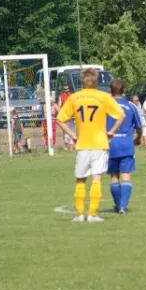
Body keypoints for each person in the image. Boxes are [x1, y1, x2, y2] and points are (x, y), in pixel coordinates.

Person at [56, 68, 125, 223]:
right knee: (96, 179)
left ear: (82, 81)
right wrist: (111, 132)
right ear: (96, 80)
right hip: (100, 143)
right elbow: (121, 115)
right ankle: (92, 215)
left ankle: (80, 214)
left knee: (80, 180)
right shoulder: (103, 97)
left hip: (82, 144)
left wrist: (72, 135)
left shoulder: (74, 98)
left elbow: (60, 119)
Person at [106, 81, 142, 214]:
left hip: (110, 145)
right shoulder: (131, 106)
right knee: (126, 174)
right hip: (126, 144)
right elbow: (139, 126)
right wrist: (138, 138)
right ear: (124, 90)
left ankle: (118, 205)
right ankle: (123, 206)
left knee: (114, 176)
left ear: (110, 90)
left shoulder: (105, 106)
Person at [59, 83, 75, 151]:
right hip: (65, 117)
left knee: (72, 131)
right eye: (65, 89)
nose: (66, 90)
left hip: (72, 117)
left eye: (67, 89)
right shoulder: (61, 96)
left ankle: (71, 147)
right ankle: (66, 147)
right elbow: (59, 106)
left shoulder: (72, 96)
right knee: (66, 132)